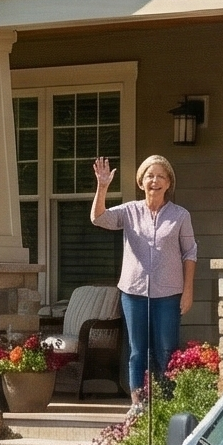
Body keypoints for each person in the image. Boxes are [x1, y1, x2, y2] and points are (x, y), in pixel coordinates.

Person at [91, 154, 198, 399]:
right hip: (134, 292)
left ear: (169, 183)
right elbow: (98, 218)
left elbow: (190, 252)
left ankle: (167, 403)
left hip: (169, 294)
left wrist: (188, 290)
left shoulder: (180, 216)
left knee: (166, 351)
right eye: (150, 175)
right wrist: (103, 186)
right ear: (141, 182)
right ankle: (138, 404)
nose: (155, 180)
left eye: (161, 176)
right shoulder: (129, 211)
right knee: (137, 352)